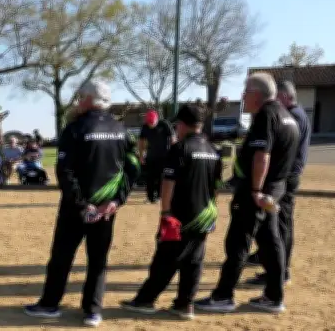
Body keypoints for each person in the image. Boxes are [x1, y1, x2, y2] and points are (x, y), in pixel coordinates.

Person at [24, 80, 139, 327]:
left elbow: (65, 171)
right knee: (98, 260)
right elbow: (134, 167)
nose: (77, 102)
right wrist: (117, 200)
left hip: (76, 208)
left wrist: (81, 205)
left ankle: (49, 304)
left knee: (62, 256)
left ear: (88, 99)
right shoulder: (121, 130)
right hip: (107, 207)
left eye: (80, 97)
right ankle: (93, 310)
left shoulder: (75, 129)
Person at [195, 72, 299, 314]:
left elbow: (263, 155)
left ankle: (223, 296)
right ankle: (274, 296)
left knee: (238, 243)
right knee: (271, 243)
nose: (242, 96)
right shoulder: (288, 117)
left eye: (246, 91)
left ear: (256, 94)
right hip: (273, 193)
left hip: (256, 193)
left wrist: (254, 189)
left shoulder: (266, 115)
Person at [121, 105, 223, 320]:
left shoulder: (180, 148)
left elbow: (169, 183)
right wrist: (212, 210)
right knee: (194, 261)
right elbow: (215, 186)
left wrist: (166, 212)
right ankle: (185, 304)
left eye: (178, 124)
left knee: (165, 259)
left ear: (183, 125)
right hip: (203, 213)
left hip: (180, 214)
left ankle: (145, 300)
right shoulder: (213, 150)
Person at [245, 80, 311, 285]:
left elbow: (279, 148)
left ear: (283, 96)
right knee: (277, 223)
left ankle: (280, 271)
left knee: (280, 224)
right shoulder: (295, 116)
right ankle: (271, 263)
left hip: (286, 176)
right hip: (286, 175)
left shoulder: (292, 117)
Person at [139, 109, 177, 203]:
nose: (151, 125)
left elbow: (173, 139)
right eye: (149, 123)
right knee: (150, 178)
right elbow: (141, 142)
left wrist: (174, 153)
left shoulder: (165, 124)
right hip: (151, 156)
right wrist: (141, 155)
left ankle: (160, 197)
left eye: (153, 123)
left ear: (157, 119)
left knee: (161, 177)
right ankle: (150, 197)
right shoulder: (145, 127)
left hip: (164, 155)